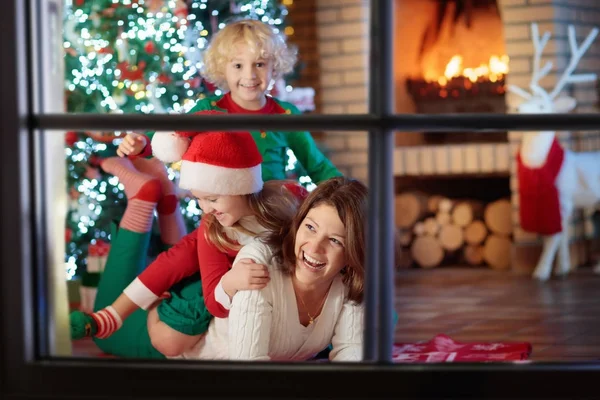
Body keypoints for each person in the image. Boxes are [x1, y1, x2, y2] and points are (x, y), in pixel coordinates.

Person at [70, 121, 308, 358]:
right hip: (190, 287)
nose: (206, 208)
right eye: (198, 200)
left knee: (183, 257)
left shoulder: (287, 201)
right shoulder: (213, 226)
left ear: (241, 187)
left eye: (212, 199)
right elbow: (183, 273)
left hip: (189, 288)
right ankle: (114, 312)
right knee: (180, 257)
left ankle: (160, 192)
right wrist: (230, 283)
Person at [118, 18, 341, 184]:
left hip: (273, 218)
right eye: (238, 65)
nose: (250, 75)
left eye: (260, 64)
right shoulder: (209, 109)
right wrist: (142, 143)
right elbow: (173, 134)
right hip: (222, 218)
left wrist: (346, 193)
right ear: (222, 69)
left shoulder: (286, 115)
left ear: (275, 66)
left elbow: (318, 166)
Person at [170, 176, 367, 361]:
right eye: (311, 228)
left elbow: (350, 352)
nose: (314, 247)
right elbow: (250, 369)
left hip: (272, 381)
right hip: (199, 372)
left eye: (334, 240)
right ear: (298, 224)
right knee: (164, 340)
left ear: (353, 252)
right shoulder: (257, 265)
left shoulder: (348, 283)